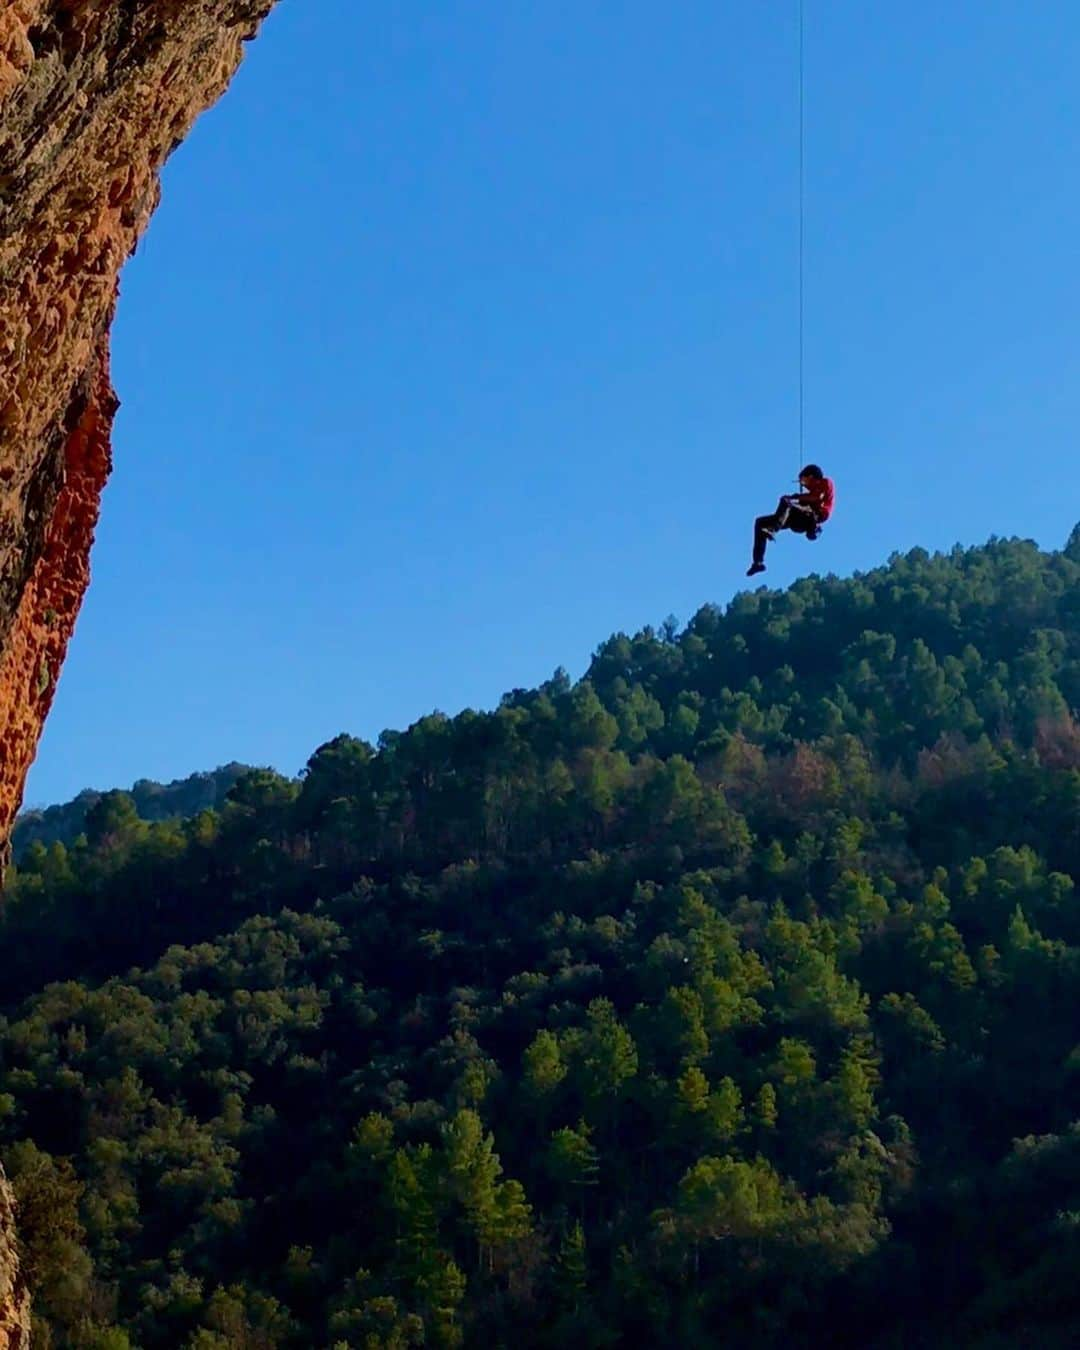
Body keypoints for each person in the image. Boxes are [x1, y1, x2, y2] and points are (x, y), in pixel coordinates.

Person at [747, 464, 834, 577]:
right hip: (798, 518)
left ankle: (773, 529)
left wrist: (796, 497)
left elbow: (818, 497)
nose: (803, 485)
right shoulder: (810, 493)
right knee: (760, 522)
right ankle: (758, 562)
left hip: (812, 517)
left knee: (787, 502)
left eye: (803, 481)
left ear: (811, 477)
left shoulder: (825, 482)